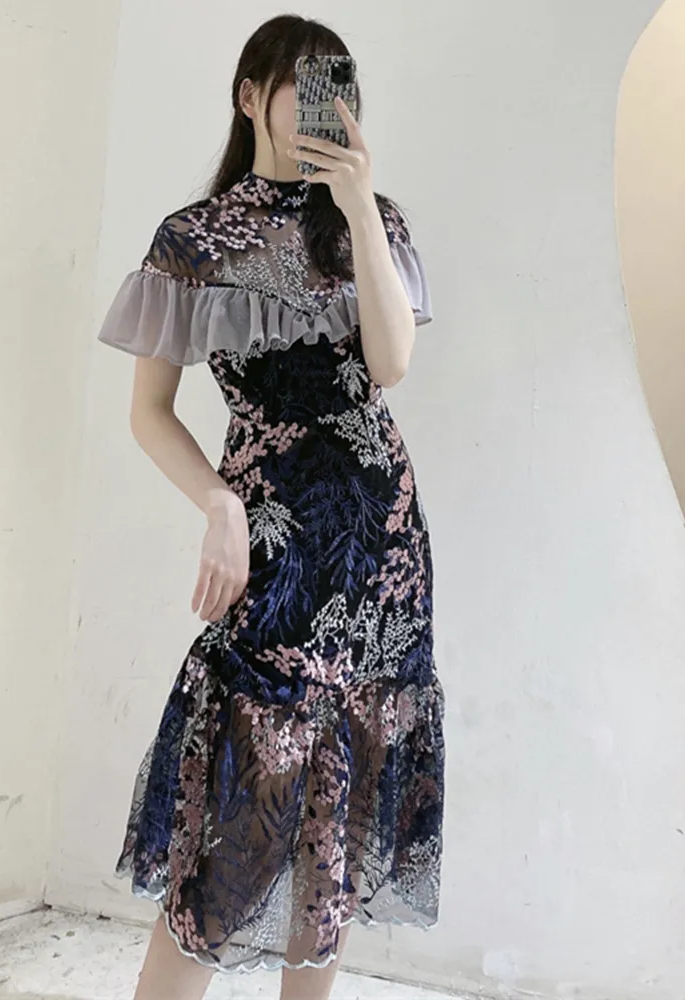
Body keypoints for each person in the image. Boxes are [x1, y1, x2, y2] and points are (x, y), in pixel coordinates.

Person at [97, 13, 446, 1000]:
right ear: (250, 94)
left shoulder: (374, 221)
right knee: (239, 825)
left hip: (381, 548)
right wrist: (218, 503)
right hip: (274, 550)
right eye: (305, 83)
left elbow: (389, 364)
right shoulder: (194, 241)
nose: (326, 105)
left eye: (342, 86)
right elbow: (149, 413)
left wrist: (359, 206)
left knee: (334, 824)